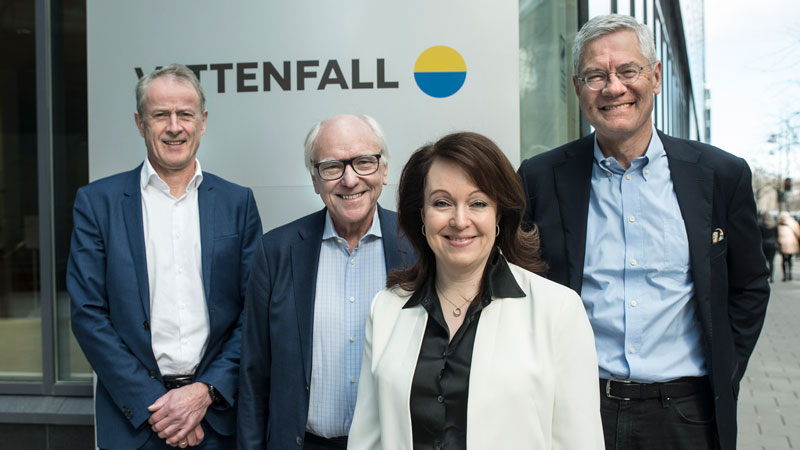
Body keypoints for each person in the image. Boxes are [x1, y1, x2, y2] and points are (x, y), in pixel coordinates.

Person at [517, 14, 770, 450]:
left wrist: (724, 373)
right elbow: (520, 287)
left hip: (686, 414)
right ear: (578, 89)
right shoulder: (541, 178)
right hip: (576, 407)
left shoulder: (719, 174)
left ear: (654, 77)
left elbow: (749, 286)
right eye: (596, 75)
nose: (613, 88)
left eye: (628, 71)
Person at [348, 132, 604, 449]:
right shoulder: (386, 309)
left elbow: (580, 441)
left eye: (478, 203)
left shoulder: (559, 310)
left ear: (499, 216)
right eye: (442, 203)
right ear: (422, 217)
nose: (460, 220)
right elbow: (367, 440)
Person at [67, 64, 262, 449]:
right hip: (135, 421)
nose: (175, 127)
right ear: (140, 123)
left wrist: (205, 391)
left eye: (185, 114)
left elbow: (253, 310)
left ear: (202, 122)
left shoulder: (237, 203)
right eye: (160, 115)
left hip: (217, 418)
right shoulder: (97, 203)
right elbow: (88, 314)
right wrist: (159, 406)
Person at [237, 114, 415, 450]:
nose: (350, 180)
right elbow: (253, 374)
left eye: (364, 162)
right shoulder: (276, 251)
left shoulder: (419, 247)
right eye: (332, 167)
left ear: (384, 171)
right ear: (315, 179)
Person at [777, 211, 800, 281]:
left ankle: (785, 275)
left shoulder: (779, 223)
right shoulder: (793, 222)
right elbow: (798, 233)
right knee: (789, 259)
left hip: (782, 244)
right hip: (791, 244)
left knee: (783, 260)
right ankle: (790, 273)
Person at [759, 212, 778, 282]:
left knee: (764, 262)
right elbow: (776, 235)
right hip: (772, 244)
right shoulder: (774, 225)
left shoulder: (761, 225)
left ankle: (765, 277)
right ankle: (771, 277)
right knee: (771, 262)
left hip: (763, 244)